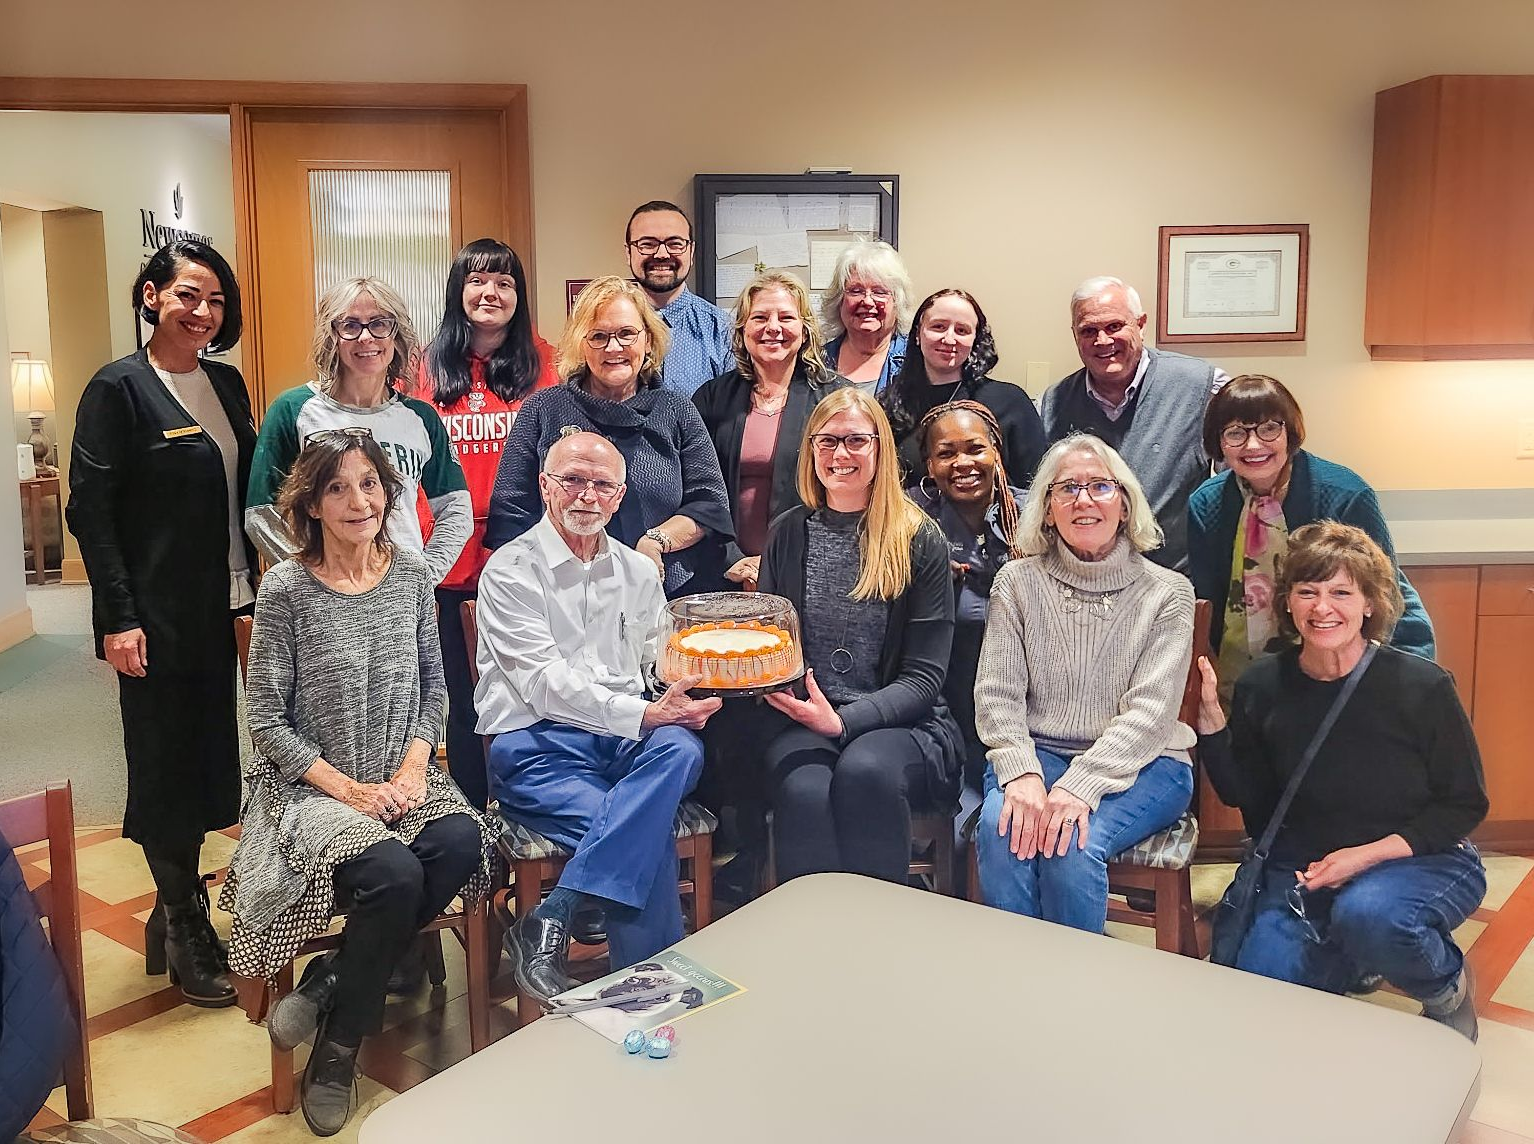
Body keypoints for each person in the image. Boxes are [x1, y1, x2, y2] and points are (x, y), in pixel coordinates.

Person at [222, 432, 489, 1135]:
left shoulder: (410, 577)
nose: (358, 500)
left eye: (369, 484)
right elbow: (268, 723)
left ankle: (330, 980)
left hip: (401, 773)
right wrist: (351, 791)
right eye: (337, 488)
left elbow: (437, 693)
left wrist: (409, 767)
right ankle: (338, 1051)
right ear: (309, 502)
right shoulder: (285, 589)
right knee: (397, 873)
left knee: (463, 838)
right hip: (312, 788)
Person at [1194, 521, 1487, 1042]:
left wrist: (1365, 856)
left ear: (1370, 603)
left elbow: (1464, 804)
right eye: (1307, 591)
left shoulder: (1421, 687)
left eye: (1341, 592)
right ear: (1287, 603)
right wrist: (1214, 726)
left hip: (1420, 859)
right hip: (1303, 869)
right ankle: (1351, 960)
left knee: (1369, 913)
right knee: (1258, 1001)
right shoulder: (1265, 682)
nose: (1322, 607)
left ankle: (1446, 987)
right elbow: (1249, 800)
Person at [66, 239, 254, 1008]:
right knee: (164, 766)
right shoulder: (119, 389)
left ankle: (171, 908)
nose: (201, 312)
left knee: (215, 761)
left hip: (230, 605)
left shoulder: (227, 383)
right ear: (150, 296)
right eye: (186, 295)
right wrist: (117, 618)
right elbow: (91, 512)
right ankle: (183, 922)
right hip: (156, 615)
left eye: (213, 300)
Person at [476, 431, 720, 1003]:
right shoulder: (510, 570)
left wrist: (689, 682)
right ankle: (650, 997)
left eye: (602, 485)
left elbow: (652, 665)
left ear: (620, 496)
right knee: (647, 832)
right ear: (544, 486)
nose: (587, 495)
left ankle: (552, 915)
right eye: (573, 481)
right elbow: (543, 685)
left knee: (682, 748)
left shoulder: (639, 572)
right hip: (538, 748)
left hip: (624, 744)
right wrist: (644, 712)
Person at [973, 433, 1196, 934]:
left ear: (1125, 503)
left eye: (1100, 486)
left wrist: (1082, 786)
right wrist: (1021, 773)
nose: (1084, 500)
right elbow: (997, 694)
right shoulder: (1016, 582)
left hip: (1148, 764)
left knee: (1071, 843)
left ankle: (1078, 994)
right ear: (1047, 510)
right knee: (1001, 827)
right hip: (1039, 753)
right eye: (1066, 488)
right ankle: (1018, 981)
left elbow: (1150, 716)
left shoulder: (1168, 593)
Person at [754, 388, 963, 884]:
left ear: (880, 449)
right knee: (803, 791)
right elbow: (768, 647)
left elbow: (923, 680)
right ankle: (812, 938)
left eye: (854, 441)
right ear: (810, 452)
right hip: (804, 720)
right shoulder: (788, 532)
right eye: (826, 442)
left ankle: (875, 936)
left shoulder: (919, 538)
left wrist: (842, 723)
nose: (839, 455)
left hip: (904, 725)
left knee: (865, 771)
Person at [407, 239, 559, 809]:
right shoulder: (423, 367)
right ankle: (475, 820)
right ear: (458, 291)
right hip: (444, 559)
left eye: (504, 282)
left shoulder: (548, 365)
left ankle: (529, 810)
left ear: (519, 296)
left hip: (524, 557)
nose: (490, 293)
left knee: (529, 691)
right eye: (477, 281)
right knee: (461, 702)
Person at [484, 276, 733, 597]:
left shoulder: (676, 409)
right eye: (599, 336)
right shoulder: (544, 409)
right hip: (562, 595)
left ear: (648, 339)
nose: (614, 348)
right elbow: (511, 512)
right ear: (580, 343)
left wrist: (656, 542)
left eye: (626, 334)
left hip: (666, 590)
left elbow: (709, 504)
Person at [1187, 373, 1434, 695]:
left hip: (1342, 664)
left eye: (1269, 428)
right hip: (1243, 678)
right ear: (1217, 443)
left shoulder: (1345, 495)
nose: (1253, 445)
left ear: (1290, 432)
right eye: (1235, 433)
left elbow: (1383, 594)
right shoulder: (1206, 503)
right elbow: (1208, 606)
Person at [245, 276, 471, 584]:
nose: (366, 337)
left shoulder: (420, 417)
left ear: (397, 334)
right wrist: (318, 577)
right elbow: (262, 512)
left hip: (403, 599)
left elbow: (456, 509)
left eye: (379, 324)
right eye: (350, 326)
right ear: (331, 336)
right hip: (324, 601)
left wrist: (423, 576)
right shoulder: (294, 410)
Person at [1038, 276, 1228, 571]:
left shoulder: (1203, 388)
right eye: (1089, 331)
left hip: (1175, 583)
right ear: (1075, 335)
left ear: (1140, 324)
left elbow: (1237, 486)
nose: (1103, 341)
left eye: (1114, 326)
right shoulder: (1051, 405)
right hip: (1082, 582)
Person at [692, 270, 848, 589]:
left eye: (786, 317)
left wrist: (777, 562)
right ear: (743, 330)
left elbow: (849, 489)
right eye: (760, 317)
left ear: (804, 330)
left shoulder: (835, 400)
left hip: (810, 569)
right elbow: (696, 488)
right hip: (726, 571)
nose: (772, 328)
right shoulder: (712, 398)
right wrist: (732, 559)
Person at [906, 401, 1025, 797]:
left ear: (996, 451)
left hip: (1026, 693)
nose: (963, 463)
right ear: (928, 464)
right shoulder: (909, 518)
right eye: (946, 453)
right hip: (943, 693)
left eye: (975, 448)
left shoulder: (1037, 512)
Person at [882, 288, 1047, 485]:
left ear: (975, 340)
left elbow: (1036, 489)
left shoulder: (1011, 403)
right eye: (938, 326)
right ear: (918, 334)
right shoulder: (890, 405)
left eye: (962, 330)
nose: (949, 339)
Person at [625, 199, 733, 396]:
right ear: (628, 253)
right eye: (647, 244)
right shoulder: (603, 328)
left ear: (691, 252)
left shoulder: (723, 330)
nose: (662, 254)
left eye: (675, 244)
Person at [819, 240, 914, 395]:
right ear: (839, 300)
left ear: (898, 302)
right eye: (856, 291)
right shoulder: (818, 363)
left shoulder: (916, 361)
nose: (868, 301)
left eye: (879, 292)